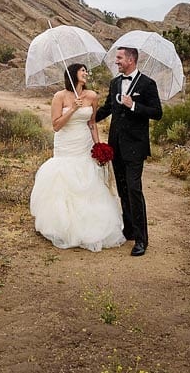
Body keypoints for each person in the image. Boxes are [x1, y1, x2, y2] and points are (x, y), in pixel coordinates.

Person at [29, 63, 126, 252]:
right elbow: (56, 125)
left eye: (86, 71)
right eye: (82, 71)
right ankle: (62, 226)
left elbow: (92, 124)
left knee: (88, 180)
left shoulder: (92, 96)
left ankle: (91, 225)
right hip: (66, 144)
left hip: (84, 144)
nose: (86, 73)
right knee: (66, 179)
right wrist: (73, 108)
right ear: (73, 74)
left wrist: (99, 146)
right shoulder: (59, 97)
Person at [95, 47, 162, 256]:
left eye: (119, 58)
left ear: (131, 60)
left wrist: (134, 105)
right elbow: (107, 108)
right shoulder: (115, 83)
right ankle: (129, 230)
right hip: (116, 145)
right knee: (123, 189)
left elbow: (157, 113)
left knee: (134, 190)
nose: (116, 61)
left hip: (135, 147)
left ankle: (141, 240)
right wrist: (87, 119)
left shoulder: (147, 84)